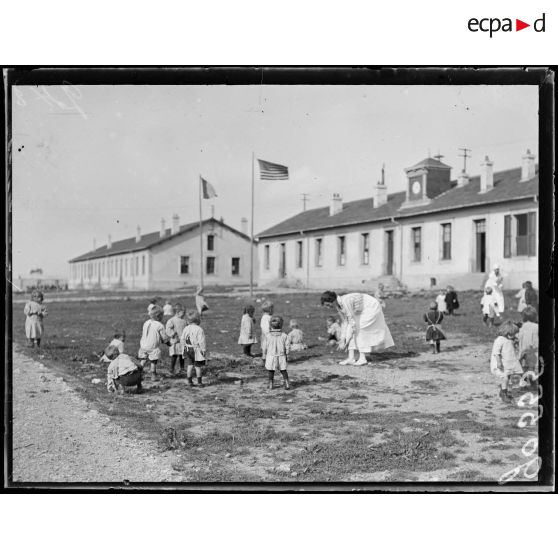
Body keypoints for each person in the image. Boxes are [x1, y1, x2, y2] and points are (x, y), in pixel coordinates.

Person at [320, 291, 394, 366]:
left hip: (371, 307)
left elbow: (352, 323)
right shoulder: (339, 305)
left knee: (360, 329)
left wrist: (347, 340)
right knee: (354, 329)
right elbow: (345, 322)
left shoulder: (345, 301)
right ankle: (351, 358)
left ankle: (362, 358)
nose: (328, 307)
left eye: (328, 304)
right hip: (361, 310)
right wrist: (342, 339)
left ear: (333, 300)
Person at [491, 320, 523, 403]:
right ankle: (503, 393)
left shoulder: (510, 339)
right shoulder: (499, 340)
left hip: (507, 364)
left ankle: (503, 391)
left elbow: (511, 350)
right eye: (513, 334)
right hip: (499, 364)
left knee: (507, 377)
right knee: (505, 377)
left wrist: (515, 343)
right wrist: (498, 362)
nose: (514, 336)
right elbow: (496, 353)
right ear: (506, 332)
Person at [138, 305, 170, 379]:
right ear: (159, 316)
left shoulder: (146, 322)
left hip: (143, 345)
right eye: (162, 315)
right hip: (152, 347)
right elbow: (164, 337)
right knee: (153, 361)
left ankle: (138, 373)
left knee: (143, 360)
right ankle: (153, 375)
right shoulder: (160, 325)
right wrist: (168, 343)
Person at [261, 315, 291, 390]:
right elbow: (287, 346)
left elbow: (264, 347)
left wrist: (264, 355)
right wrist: (287, 354)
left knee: (271, 370)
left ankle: (271, 384)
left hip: (271, 356)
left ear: (270, 326)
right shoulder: (284, 336)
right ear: (281, 325)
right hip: (281, 356)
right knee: (283, 370)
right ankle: (287, 383)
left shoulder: (268, 336)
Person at [180, 310, 207, 387]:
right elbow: (202, 341)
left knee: (189, 365)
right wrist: (203, 350)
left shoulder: (186, 328)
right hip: (196, 350)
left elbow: (182, 339)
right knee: (198, 366)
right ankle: (199, 382)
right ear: (198, 320)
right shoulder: (199, 329)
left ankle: (189, 381)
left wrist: (183, 348)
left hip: (188, 349)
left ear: (188, 321)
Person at [518, 305, 538, 387]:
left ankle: (524, 383)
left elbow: (519, 338)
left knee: (524, 367)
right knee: (531, 367)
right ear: (534, 317)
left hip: (523, 349)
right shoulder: (536, 327)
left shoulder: (522, 327)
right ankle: (532, 383)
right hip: (532, 350)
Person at [165, 303, 187, 375]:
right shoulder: (172, 320)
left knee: (182, 355)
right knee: (174, 355)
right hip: (175, 341)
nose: (184, 314)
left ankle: (182, 368)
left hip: (182, 341)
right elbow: (168, 329)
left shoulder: (184, 321)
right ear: (177, 312)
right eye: (183, 313)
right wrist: (172, 334)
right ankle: (172, 368)